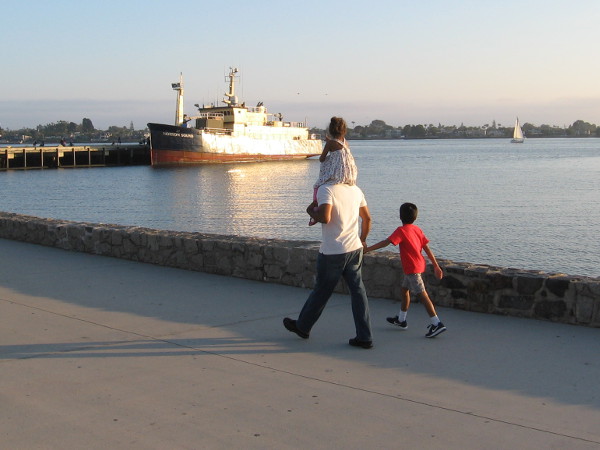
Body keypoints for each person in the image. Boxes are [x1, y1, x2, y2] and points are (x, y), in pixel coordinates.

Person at [284, 154, 373, 349]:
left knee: (322, 291)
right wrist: (363, 240)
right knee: (358, 292)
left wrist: (310, 211)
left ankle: (303, 326)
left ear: (330, 169)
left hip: (333, 251)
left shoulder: (327, 189)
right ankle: (364, 336)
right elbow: (367, 219)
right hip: (354, 248)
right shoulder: (356, 190)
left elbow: (324, 217)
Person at [365, 202, 446, 338]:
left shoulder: (401, 231)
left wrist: (367, 249)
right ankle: (401, 320)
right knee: (404, 290)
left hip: (412, 269)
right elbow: (426, 248)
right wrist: (436, 265)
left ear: (400, 216)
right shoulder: (417, 229)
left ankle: (436, 323)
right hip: (416, 266)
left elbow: (386, 242)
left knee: (422, 294)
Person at [309, 117, 357, 226]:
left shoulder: (330, 144)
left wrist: (328, 145)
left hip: (336, 174)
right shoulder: (346, 143)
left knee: (317, 186)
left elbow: (322, 158)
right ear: (344, 130)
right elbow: (339, 150)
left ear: (331, 130)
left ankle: (315, 211)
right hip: (347, 175)